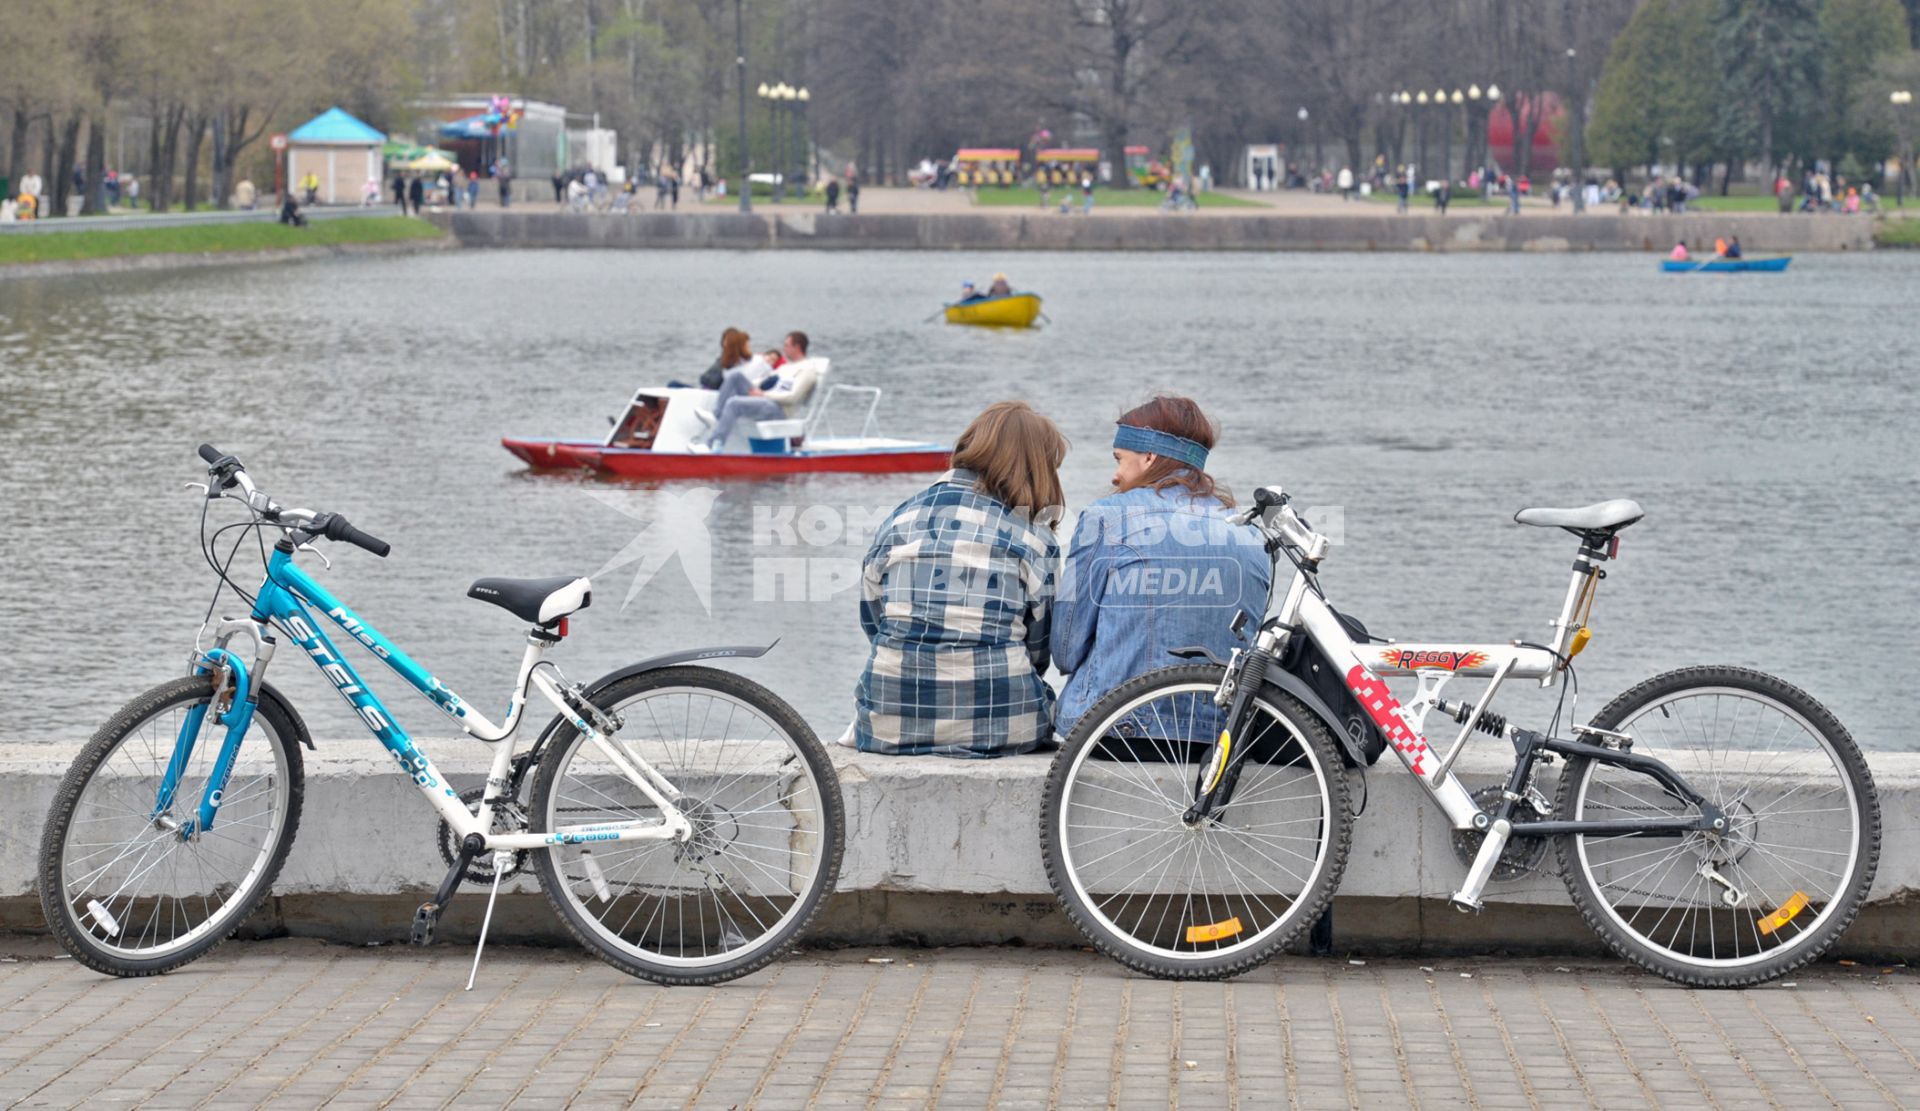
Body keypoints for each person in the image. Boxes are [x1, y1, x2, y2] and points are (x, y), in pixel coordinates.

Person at [848, 400, 1067, 757]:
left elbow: (873, 620)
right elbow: (1040, 649)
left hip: (889, 721)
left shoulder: (898, 520)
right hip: (1006, 723)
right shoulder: (1033, 537)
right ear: (1035, 468)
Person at [1052, 397, 1270, 737]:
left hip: (1114, 729)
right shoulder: (1251, 534)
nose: (1115, 475)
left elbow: (1065, 650)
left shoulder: (1105, 518)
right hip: (1217, 738)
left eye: (1120, 459)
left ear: (1149, 457)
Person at [693, 330, 826, 450]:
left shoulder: (807, 371)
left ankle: (713, 446)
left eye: (787, 346)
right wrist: (753, 386)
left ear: (797, 347)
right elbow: (763, 380)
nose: (783, 350)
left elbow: (792, 397)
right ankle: (716, 416)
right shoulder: (786, 368)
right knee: (735, 377)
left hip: (779, 410)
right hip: (767, 400)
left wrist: (763, 394)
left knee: (734, 403)